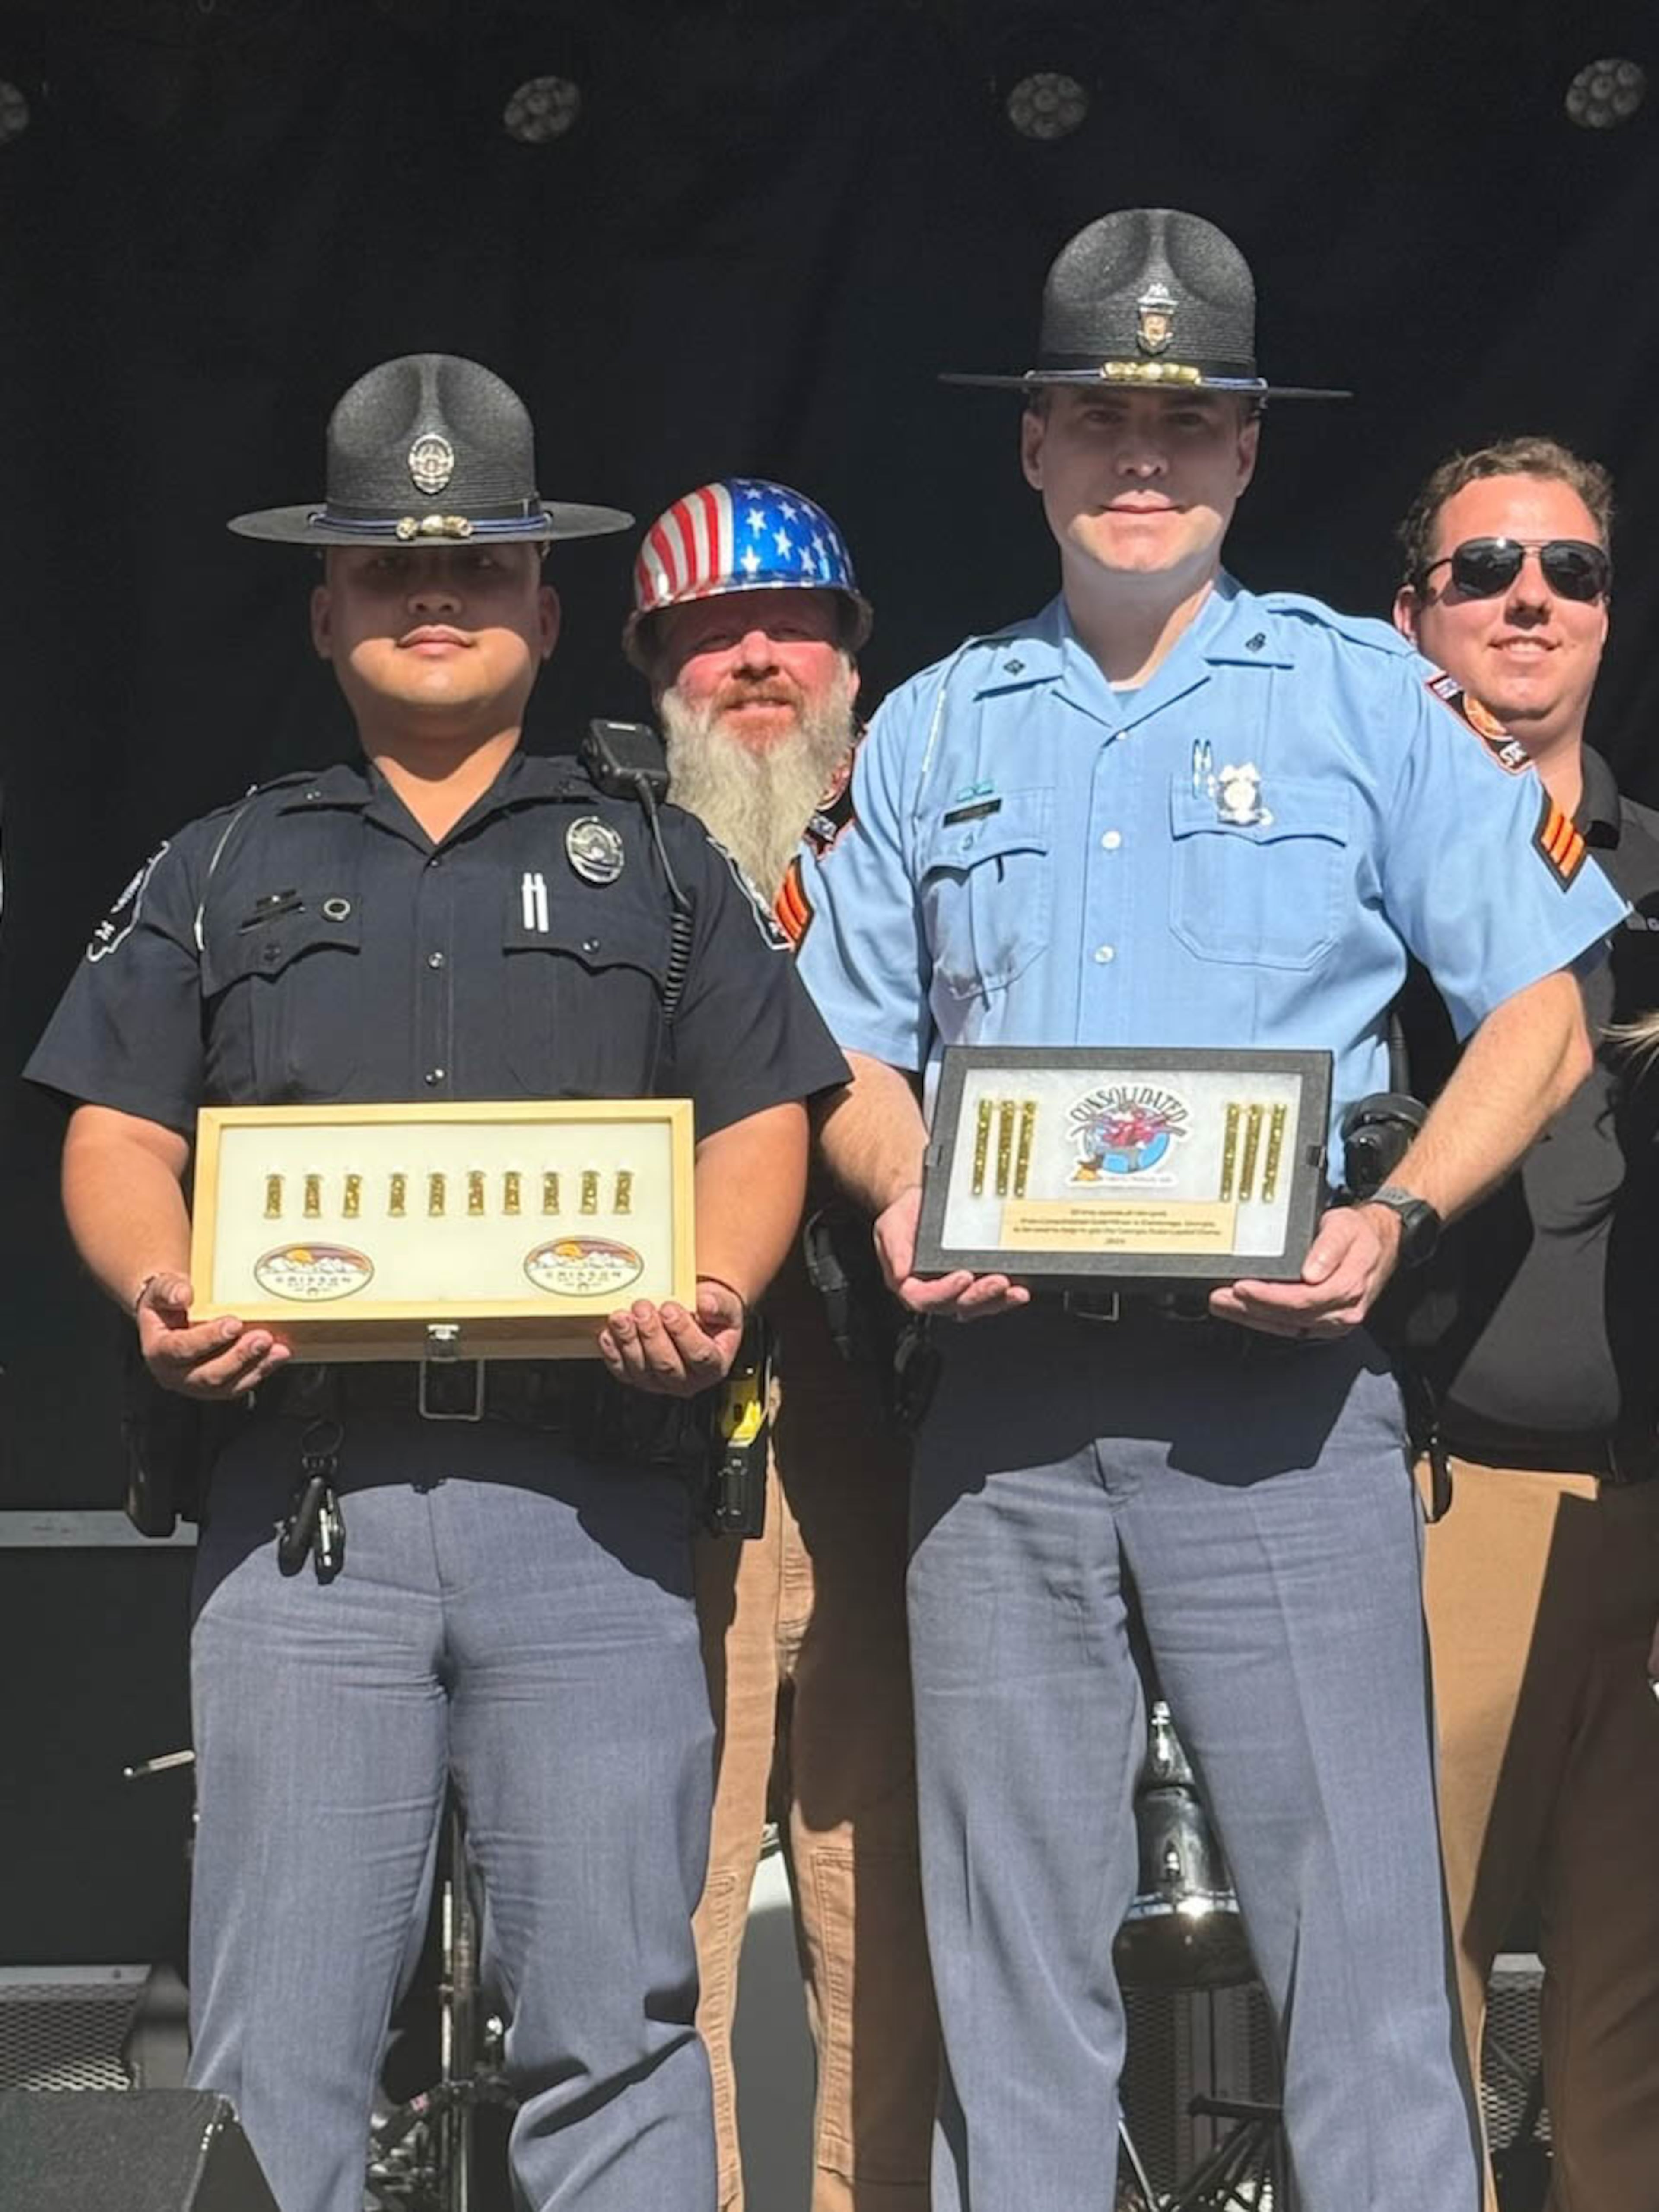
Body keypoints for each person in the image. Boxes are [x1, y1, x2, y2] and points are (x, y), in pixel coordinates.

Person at [791, 208, 1628, 2212]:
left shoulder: (1361, 697)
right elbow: (838, 1055)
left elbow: (1543, 1018)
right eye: (1097, 417)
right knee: (1011, 1996)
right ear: (1033, 449)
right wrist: (909, 1195)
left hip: (1286, 1411)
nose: (1138, 460)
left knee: (1363, 1987)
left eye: (1185, 423)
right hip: (999, 1422)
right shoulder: (931, 726)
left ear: (1251, 452)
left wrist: (1402, 1221)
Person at [25, 355, 849, 2212]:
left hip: (596, 1515)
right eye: (392, 570)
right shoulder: (221, 864)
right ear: (327, 611)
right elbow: (110, 1130)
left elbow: (759, 1120)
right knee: (277, 2044)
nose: (435, 598)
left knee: (619, 2031)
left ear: (547, 616)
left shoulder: (662, 868)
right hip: (307, 1524)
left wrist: (714, 1285)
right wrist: (161, 1286)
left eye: (477, 566)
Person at [623, 478, 938, 2212]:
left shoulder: (937, 828)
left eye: (789, 624)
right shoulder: (592, 848)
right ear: (652, 664)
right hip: (660, 1439)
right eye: (709, 631)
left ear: (848, 659)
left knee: (885, 1887)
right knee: (664, 1897)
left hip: (902, 1431)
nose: (754, 656)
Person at [1392, 437, 1659, 2211]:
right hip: (1434, 1507)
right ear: (1413, 614)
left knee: (1636, 2029)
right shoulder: (1341, 879)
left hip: (1644, 1518)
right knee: (1412, 2014)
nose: (1529, 598)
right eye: (1484, 567)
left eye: (1565, 569)